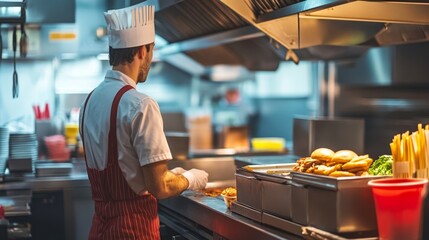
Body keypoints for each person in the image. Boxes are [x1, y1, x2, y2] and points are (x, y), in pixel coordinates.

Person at [79, 3, 208, 239]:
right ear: (141, 51)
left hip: (99, 229)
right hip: (133, 230)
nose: (151, 58)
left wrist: (174, 174)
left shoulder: (89, 103)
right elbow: (159, 186)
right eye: (151, 50)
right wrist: (190, 179)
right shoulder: (140, 104)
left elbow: (129, 165)